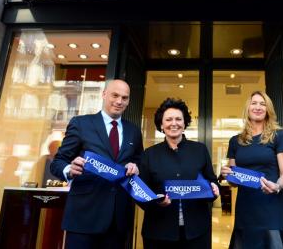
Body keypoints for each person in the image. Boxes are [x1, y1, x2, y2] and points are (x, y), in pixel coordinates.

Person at [50, 79, 143, 249]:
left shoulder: (134, 131)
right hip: (83, 217)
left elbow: (139, 162)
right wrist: (69, 169)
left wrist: (136, 167)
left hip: (118, 220)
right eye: (115, 95)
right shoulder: (81, 123)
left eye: (124, 97)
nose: (119, 101)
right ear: (104, 94)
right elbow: (57, 162)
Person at [138, 98, 220, 249]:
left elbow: (212, 181)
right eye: (168, 119)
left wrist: (214, 190)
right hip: (158, 232)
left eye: (178, 119)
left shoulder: (200, 150)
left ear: (184, 123)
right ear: (161, 125)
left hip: (196, 232)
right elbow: (140, 191)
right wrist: (156, 202)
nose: (173, 123)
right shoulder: (149, 154)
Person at [220, 91, 283, 249]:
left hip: (272, 207)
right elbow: (234, 182)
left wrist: (277, 186)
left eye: (262, 104)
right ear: (248, 108)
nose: (258, 107)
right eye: (254, 103)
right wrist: (228, 175)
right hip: (246, 208)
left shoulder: (278, 136)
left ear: (268, 110)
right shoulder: (235, 141)